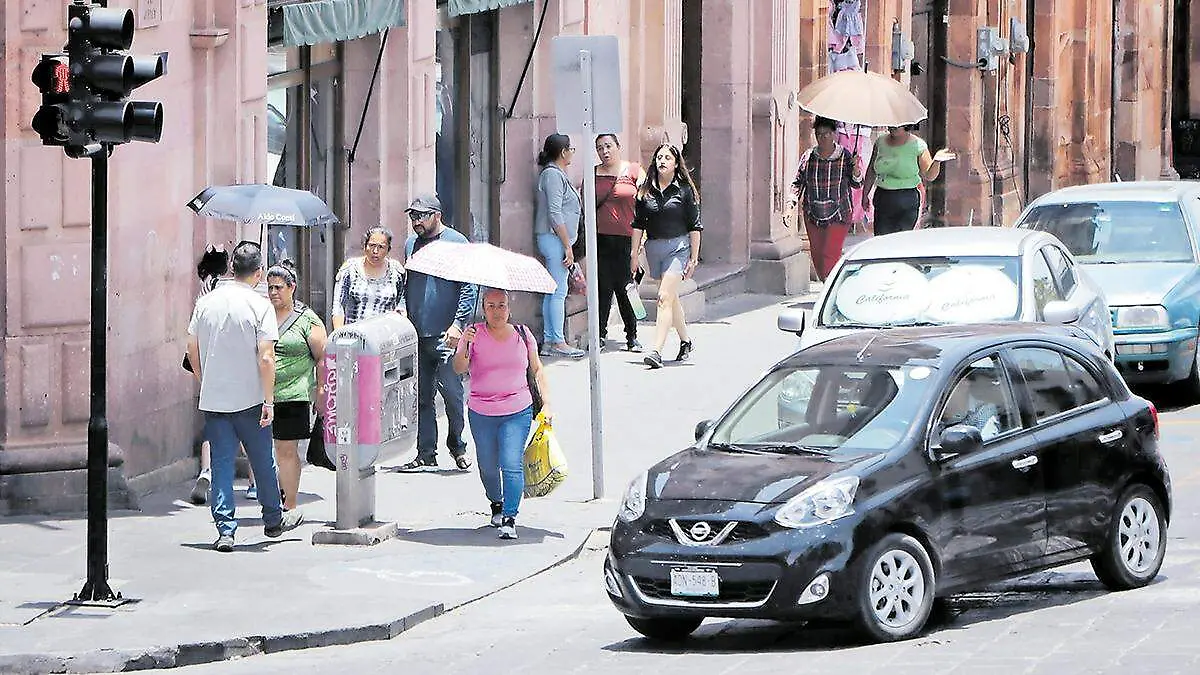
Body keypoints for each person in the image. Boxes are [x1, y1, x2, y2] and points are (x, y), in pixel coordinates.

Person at [186, 241, 303, 553]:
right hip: (251, 399)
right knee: (262, 461)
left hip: (215, 398)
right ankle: (272, 519)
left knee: (222, 463)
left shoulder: (206, 303)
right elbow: (266, 357)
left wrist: (204, 378)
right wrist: (269, 400)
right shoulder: (261, 305)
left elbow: (191, 347)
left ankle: (225, 529)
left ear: (231, 268)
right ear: (259, 273)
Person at [452, 288, 551, 540]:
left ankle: (509, 517)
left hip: (517, 409)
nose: (497, 311)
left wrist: (547, 404)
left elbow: (537, 369)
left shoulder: (522, 334)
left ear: (509, 308)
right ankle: (496, 503)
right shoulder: (473, 334)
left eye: (502, 305)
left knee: (511, 462)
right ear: (483, 309)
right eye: (491, 306)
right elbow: (458, 368)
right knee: (487, 465)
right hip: (481, 410)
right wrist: (466, 344)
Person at [396, 193, 478, 472]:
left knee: (453, 396)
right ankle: (425, 452)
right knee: (422, 397)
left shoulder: (457, 243)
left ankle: (457, 445)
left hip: (447, 335)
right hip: (417, 333)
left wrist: (459, 324)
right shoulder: (411, 245)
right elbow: (407, 284)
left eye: (421, 216)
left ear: (437, 215)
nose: (416, 221)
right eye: (413, 216)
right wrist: (402, 308)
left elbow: (469, 287)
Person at [632, 143, 702, 369]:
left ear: (675, 163)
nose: (662, 161)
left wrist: (693, 257)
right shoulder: (645, 190)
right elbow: (638, 224)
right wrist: (634, 254)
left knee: (663, 297)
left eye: (667, 158)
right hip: (654, 248)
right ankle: (686, 341)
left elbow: (695, 226)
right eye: (659, 157)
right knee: (671, 298)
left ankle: (656, 351)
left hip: (678, 248)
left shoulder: (684, 190)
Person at [266, 260, 327, 510]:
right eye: (269, 287)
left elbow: (323, 357)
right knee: (260, 452)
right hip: (261, 394)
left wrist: (321, 391)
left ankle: (289, 504)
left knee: (286, 451)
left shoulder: (307, 320)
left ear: (292, 287)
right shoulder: (262, 315)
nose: (273, 293)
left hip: (293, 394)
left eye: (278, 287)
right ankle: (273, 497)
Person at [788, 116, 863, 281]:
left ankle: (830, 291)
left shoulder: (844, 156)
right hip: (813, 213)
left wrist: (856, 169)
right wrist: (790, 204)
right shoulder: (809, 157)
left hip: (839, 213)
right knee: (818, 256)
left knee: (830, 253)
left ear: (834, 134)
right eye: (819, 134)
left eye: (827, 134)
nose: (822, 138)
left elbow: (857, 184)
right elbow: (797, 182)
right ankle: (829, 285)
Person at [534, 133, 586, 359]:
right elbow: (555, 214)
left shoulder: (555, 174)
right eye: (571, 149)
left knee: (553, 290)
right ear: (564, 152)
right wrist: (567, 245)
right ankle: (557, 340)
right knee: (558, 291)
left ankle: (550, 339)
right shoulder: (553, 175)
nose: (572, 153)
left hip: (553, 237)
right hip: (554, 238)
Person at [593, 133, 646, 352]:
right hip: (601, 238)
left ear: (618, 146)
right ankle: (600, 334)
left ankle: (632, 335)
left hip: (627, 239)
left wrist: (641, 241)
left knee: (627, 289)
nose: (604, 151)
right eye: (599, 148)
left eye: (608, 146)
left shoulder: (633, 171)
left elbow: (646, 206)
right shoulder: (593, 172)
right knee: (602, 288)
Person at [863, 124, 954, 236]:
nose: (893, 127)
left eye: (897, 124)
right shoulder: (880, 142)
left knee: (902, 240)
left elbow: (929, 175)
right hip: (883, 197)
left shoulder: (918, 145)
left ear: (906, 124)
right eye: (891, 124)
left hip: (907, 199)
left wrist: (936, 161)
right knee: (882, 240)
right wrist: (865, 194)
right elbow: (871, 170)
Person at [331, 226, 405, 330]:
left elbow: (400, 304)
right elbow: (339, 305)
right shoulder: (350, 269)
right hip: (354, 335)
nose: (375, 251)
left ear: (388, 249)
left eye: (381, 247)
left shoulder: (397, 272)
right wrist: (338, 334)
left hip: (384, 337)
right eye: (372, 245)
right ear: (365, 246)